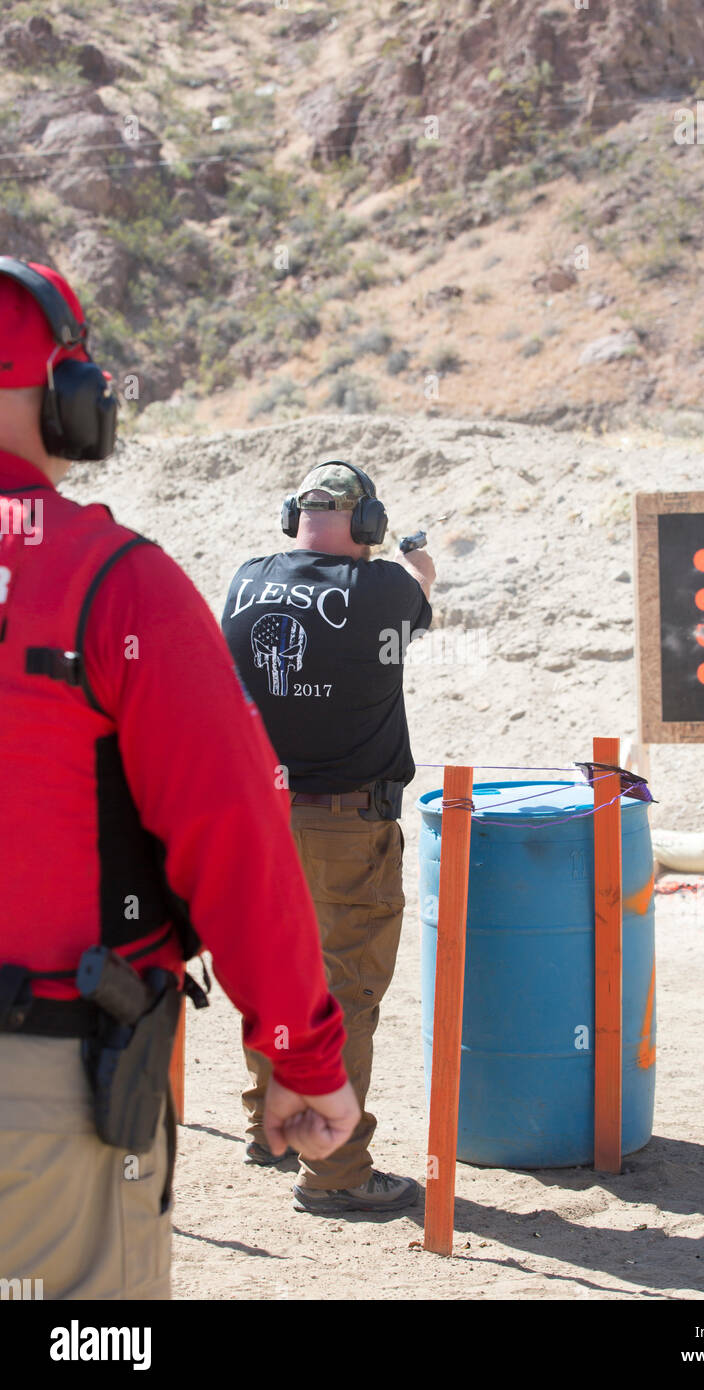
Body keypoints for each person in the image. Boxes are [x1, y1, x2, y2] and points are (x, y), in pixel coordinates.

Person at [0, 258, 360, 1300]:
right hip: (46, 1090)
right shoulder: (115, 585)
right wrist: (299, 1049)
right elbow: (235, 834)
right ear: (66, 398)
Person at [222, 461, 435, 1214]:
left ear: (294, 515)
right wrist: (416, 563)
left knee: (270, 972)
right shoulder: (384, 588)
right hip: (345, 823)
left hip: (253, 817)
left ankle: (268, 1127)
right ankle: (336, 1169)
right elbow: (415, 594)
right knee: (342, 991)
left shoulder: (246, 579)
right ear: (368, 523)